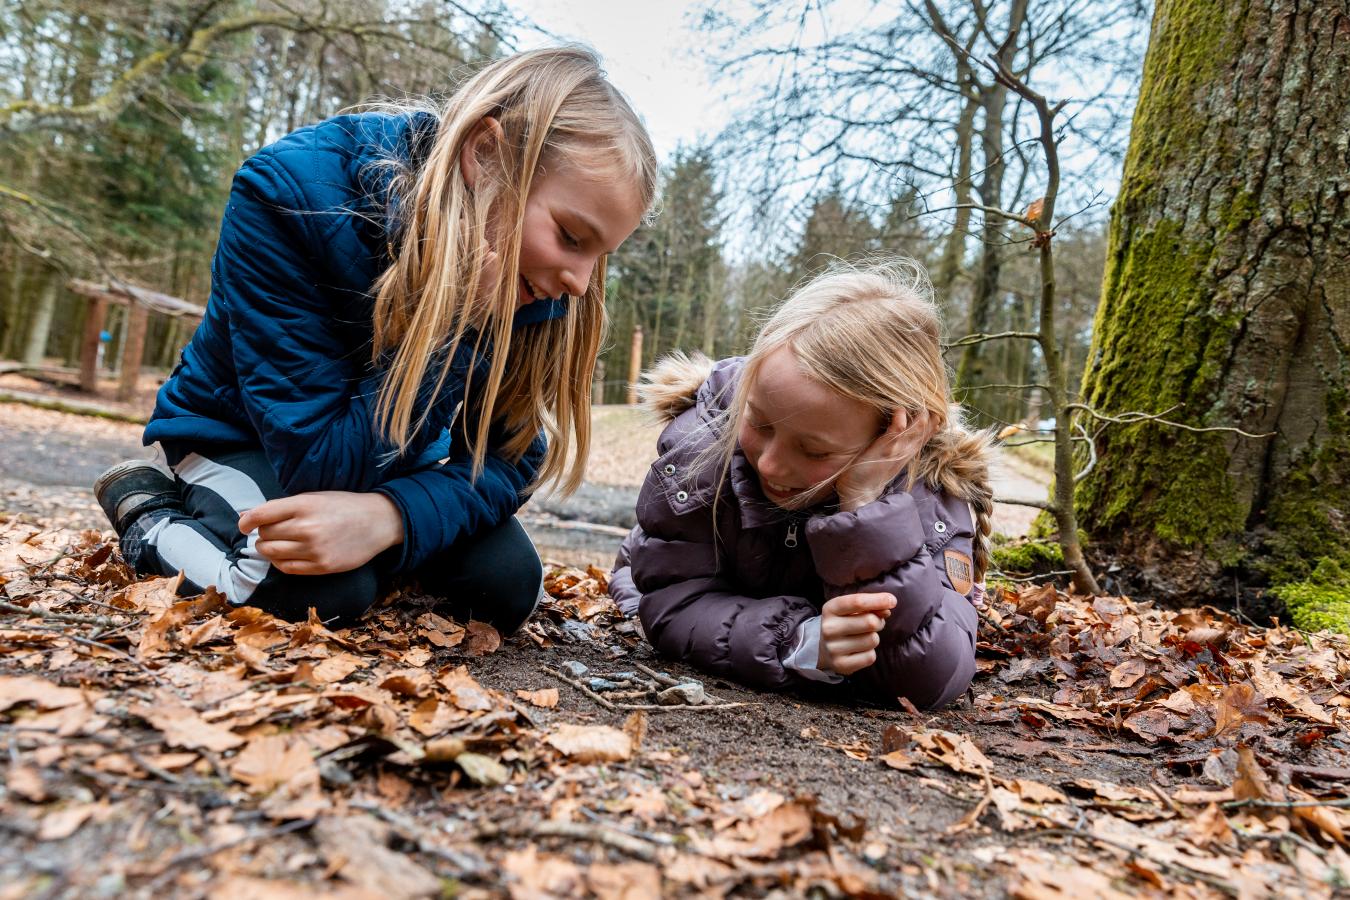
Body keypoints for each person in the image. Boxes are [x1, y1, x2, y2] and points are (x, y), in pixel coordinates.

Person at [94, 47, 656, 633]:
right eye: (570, 236)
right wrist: (460, 321)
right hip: (234, 434)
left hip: (378, 458)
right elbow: (319, 465)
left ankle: (367, 550)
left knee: (508, 585)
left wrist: (389, 517)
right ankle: (148, 512)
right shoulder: (287, 198)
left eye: (599, 256)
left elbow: (510, 454)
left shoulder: (530, 278)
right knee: (317, 587)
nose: (579, 283)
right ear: (485, 155)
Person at [610, 261, 994, 709]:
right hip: (660, 574)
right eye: (759, 422)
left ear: (892, 433)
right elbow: (673, 603)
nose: (771, 465)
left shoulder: (928, 489)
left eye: (815, 451)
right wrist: (801, 641)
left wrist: (865, 505)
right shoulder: (704, 441)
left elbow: (930, 678)